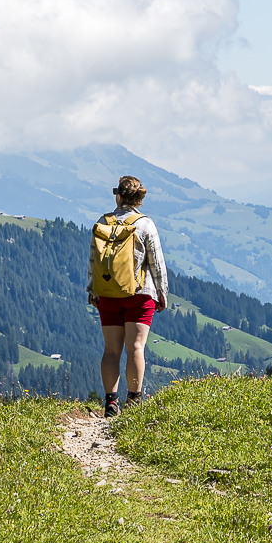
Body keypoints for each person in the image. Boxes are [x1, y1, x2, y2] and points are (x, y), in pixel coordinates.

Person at [89, 175, 168, 417]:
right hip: (140, 294)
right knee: (136, 347)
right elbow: (157, 264)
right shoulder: (145, 224)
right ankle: (134, 401)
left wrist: (93, 290)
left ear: (118, 196)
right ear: (140, 198)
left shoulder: (103, 222)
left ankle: (111, 402)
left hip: (108, 294)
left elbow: (94, 261)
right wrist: (162, 293)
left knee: (111, 350)